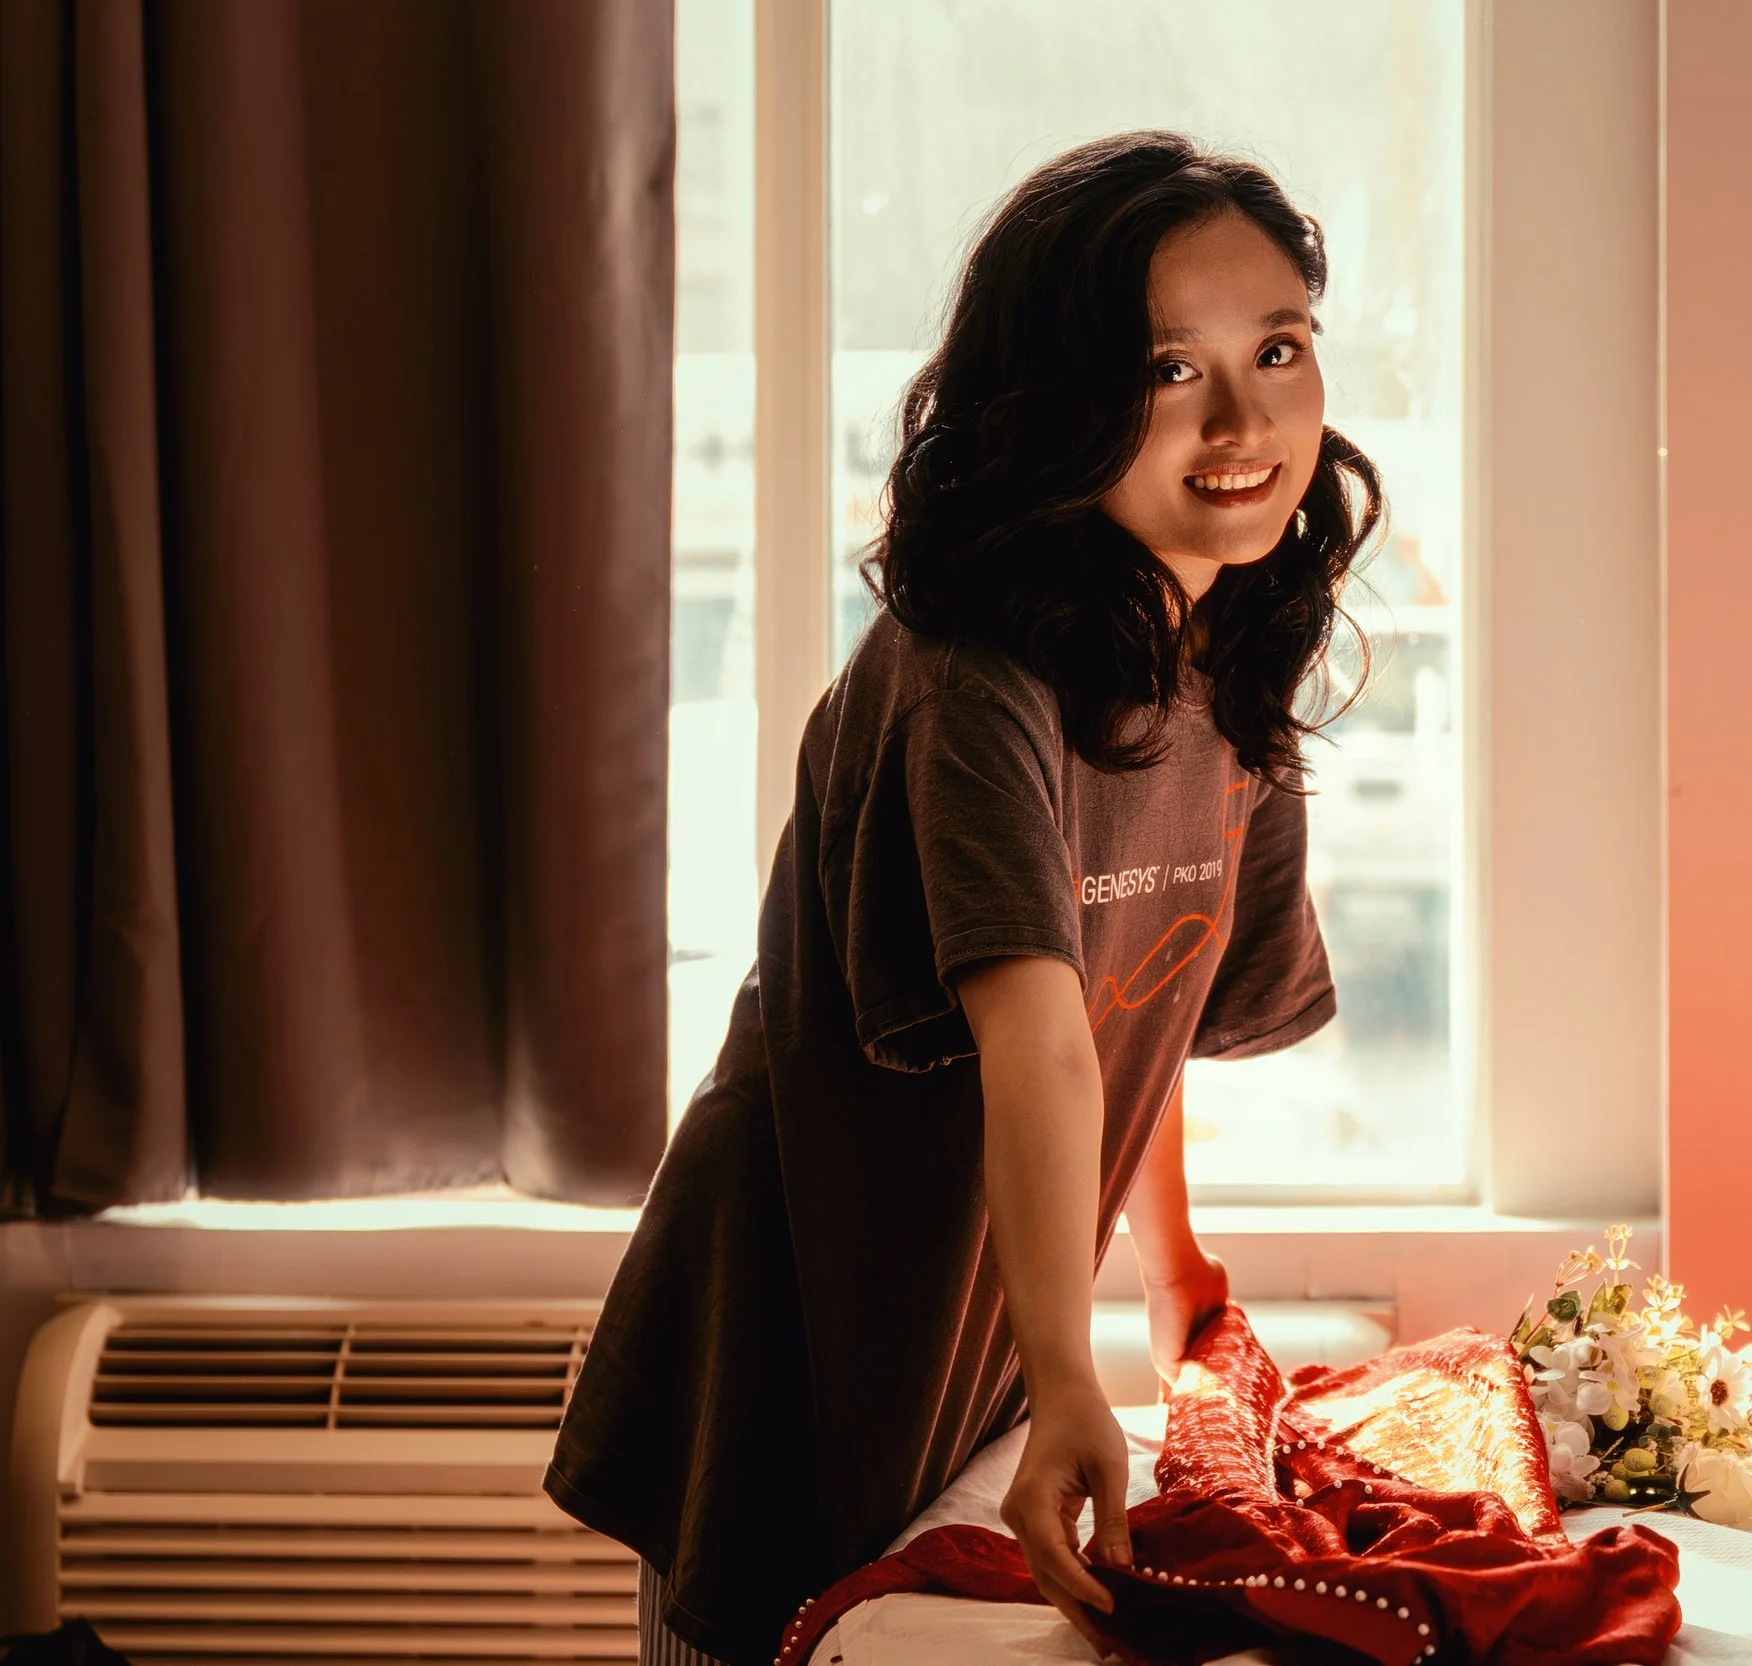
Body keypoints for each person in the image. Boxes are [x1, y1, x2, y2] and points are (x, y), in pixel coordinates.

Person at [545, 130, 1381, 1665]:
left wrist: (1172, 1264)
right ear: (1055, 407)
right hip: (792, 1340)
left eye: (1278, 347)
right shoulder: (971, 681)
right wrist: (1073, 1379)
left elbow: (1143, 988)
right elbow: (1041, 1036)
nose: (1248, 416)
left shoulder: (1225, 658)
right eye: (1166, 369)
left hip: (967, 1335)